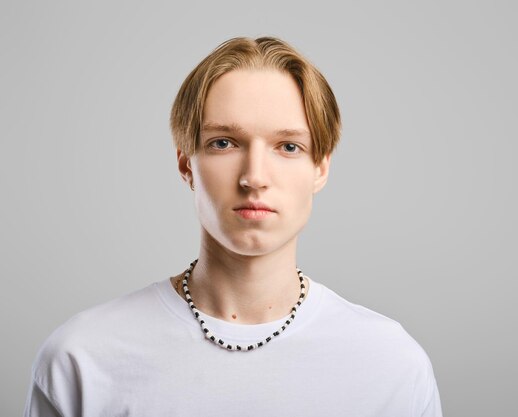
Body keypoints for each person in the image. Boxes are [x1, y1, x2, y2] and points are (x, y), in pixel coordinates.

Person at [23, 36, 443, 417]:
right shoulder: (81, 359)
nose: (254, 176)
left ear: (320, 168)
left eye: (288, 147)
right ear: (187, 164)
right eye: (224, 143)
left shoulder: (392, 365)